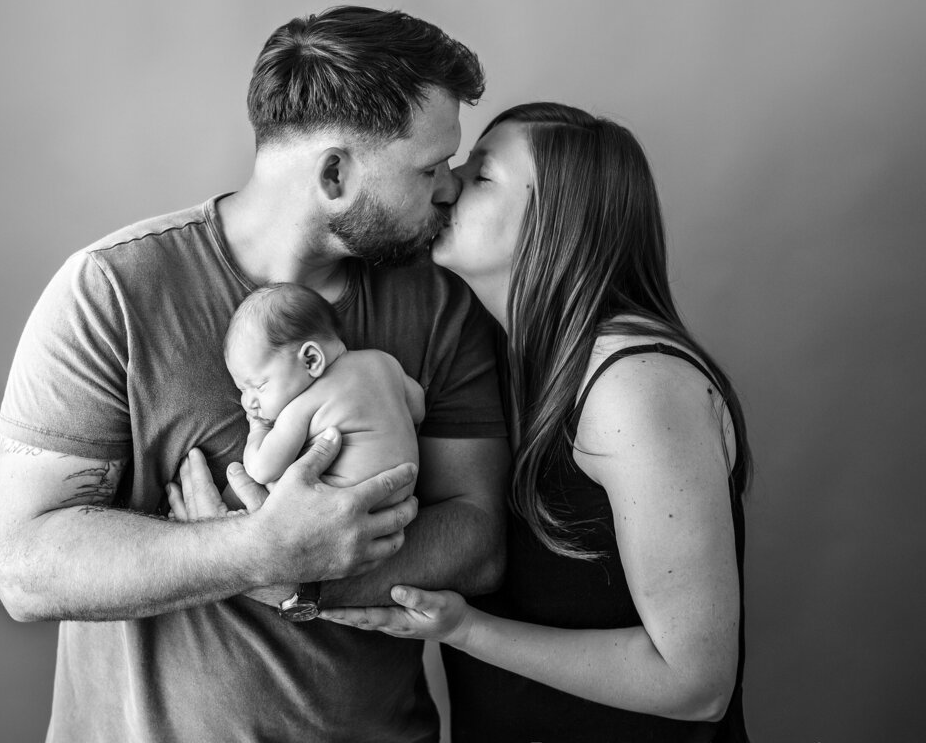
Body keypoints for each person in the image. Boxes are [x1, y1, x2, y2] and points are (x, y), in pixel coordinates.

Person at [0, 6, 510, 742]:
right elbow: (27, 566)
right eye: (430, 169)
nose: (451, 189)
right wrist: (254, 550)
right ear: (334, 173)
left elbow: (478, 539)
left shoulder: (441, 305)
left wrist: (296, 580)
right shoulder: (112, 293)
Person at [320, 102, 753, 742]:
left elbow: (695, 683)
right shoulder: (493, 357)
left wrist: (465, 629)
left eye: (482, 174)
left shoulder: (630, 387)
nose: (445, 184)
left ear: (560, 222)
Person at [221, 281, 423, 507]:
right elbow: (418, 408)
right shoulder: (384, 362)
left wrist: (258, 431)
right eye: (242, 390)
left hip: (333, 513)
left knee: (246, 481)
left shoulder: (302, 406)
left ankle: (213, 521)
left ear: (311, 360)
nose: (248, 403)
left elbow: (261, 469)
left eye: (259, 386)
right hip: (400, 501)